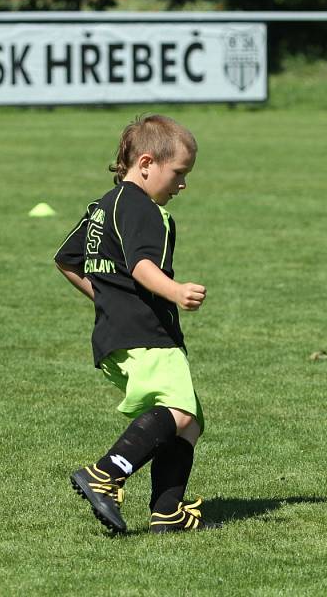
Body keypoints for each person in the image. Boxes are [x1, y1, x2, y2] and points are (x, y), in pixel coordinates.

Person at [55, 114, 211, 533]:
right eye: (178, 173)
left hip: (115, 334)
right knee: (179, 411)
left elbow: (67, 260)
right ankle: (105, 473)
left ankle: (167, 513)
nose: (182, 185)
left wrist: (106, 298)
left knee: (189, 421)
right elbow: (142, 265)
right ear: (146, 164)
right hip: (147, 333)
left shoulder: (104, 207)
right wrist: (175, 291)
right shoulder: (144, 209)